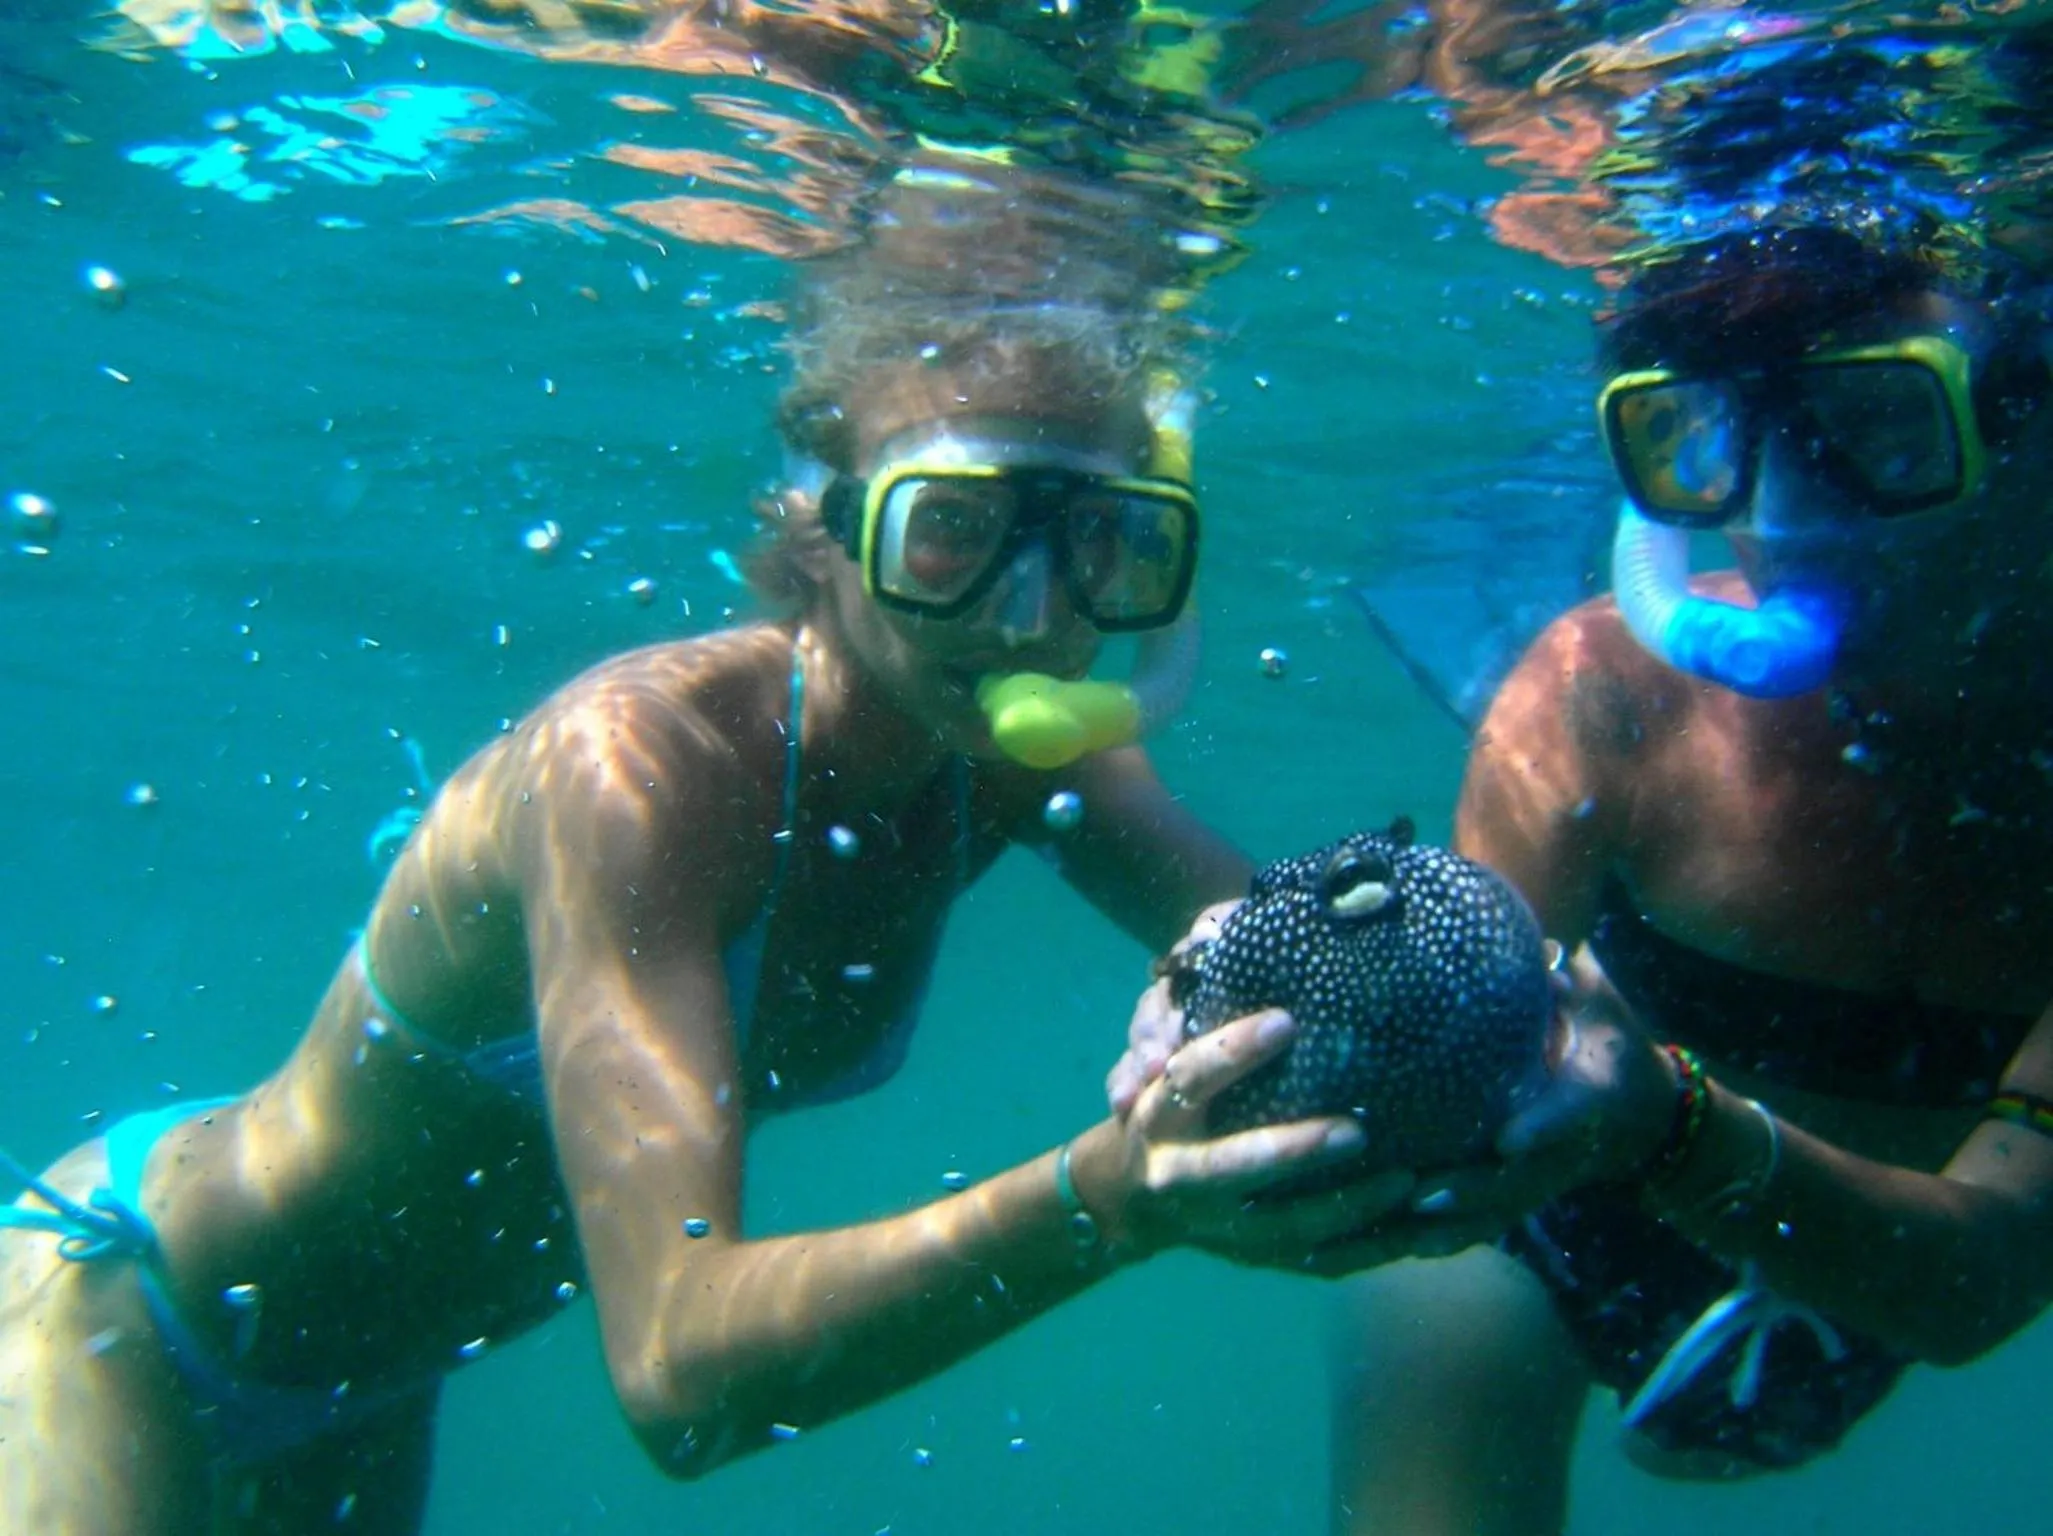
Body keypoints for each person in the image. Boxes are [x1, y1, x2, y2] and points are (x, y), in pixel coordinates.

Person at [0, 181, 1406, 1534]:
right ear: (824, 530)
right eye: (954, 532)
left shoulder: (1021, 763)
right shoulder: (642, 772)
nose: (1032, 616)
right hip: (130, 1322)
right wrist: (1103, 1198)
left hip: (373, 1392)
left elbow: (1344, 976)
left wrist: (1553, 1035)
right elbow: (677, 1372)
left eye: (1102, 542)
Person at [1313, 222, 2053, 1534]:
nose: (1781, 516)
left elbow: (1979, 1275)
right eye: (1702, 440)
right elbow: (1442, 1074)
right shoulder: (1607, 694)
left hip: (1873, 1267)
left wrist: (1665, 1126)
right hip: (1547, 1212)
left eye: (1881, 427)